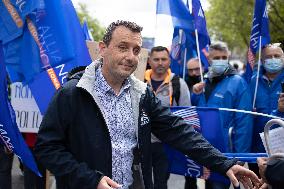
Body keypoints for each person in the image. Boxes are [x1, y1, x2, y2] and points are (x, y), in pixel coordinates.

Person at [34, 20, 260, 189]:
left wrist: (224, 163)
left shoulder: (141, 94)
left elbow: (179, 131)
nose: (131, 57)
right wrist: (90, 179)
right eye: (123, 47)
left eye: (135, 50)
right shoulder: (73, 93)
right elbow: (47, 147)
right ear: (102, 49)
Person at [192, 41, 253, 189]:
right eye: (216, 58)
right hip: (205, 149)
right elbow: (196, 112)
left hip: (226, 150)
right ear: (209, 59)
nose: (220, 61)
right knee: (208, 185)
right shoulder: (204, 81)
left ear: (228, 57)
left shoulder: (238, 82)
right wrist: (194, 94)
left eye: (223, 57)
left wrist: (240, 155)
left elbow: (244, 121)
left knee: (220, 186)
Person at [145, 46, 191, 189]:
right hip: (141, 143)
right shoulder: (138, 80)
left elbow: (186, 115)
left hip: (165, 144)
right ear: (149, 61)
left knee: (160, 183)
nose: (160, 63)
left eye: (163, 59)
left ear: (169, 61)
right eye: (156, 59)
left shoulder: (179, 83)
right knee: (141, 182)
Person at [249, 43, 284, 175]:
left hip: (281, 150)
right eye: (269, 57)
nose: (273, 59)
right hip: (257, 150)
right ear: (262, 61)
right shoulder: (253, 81)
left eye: (277, 56)